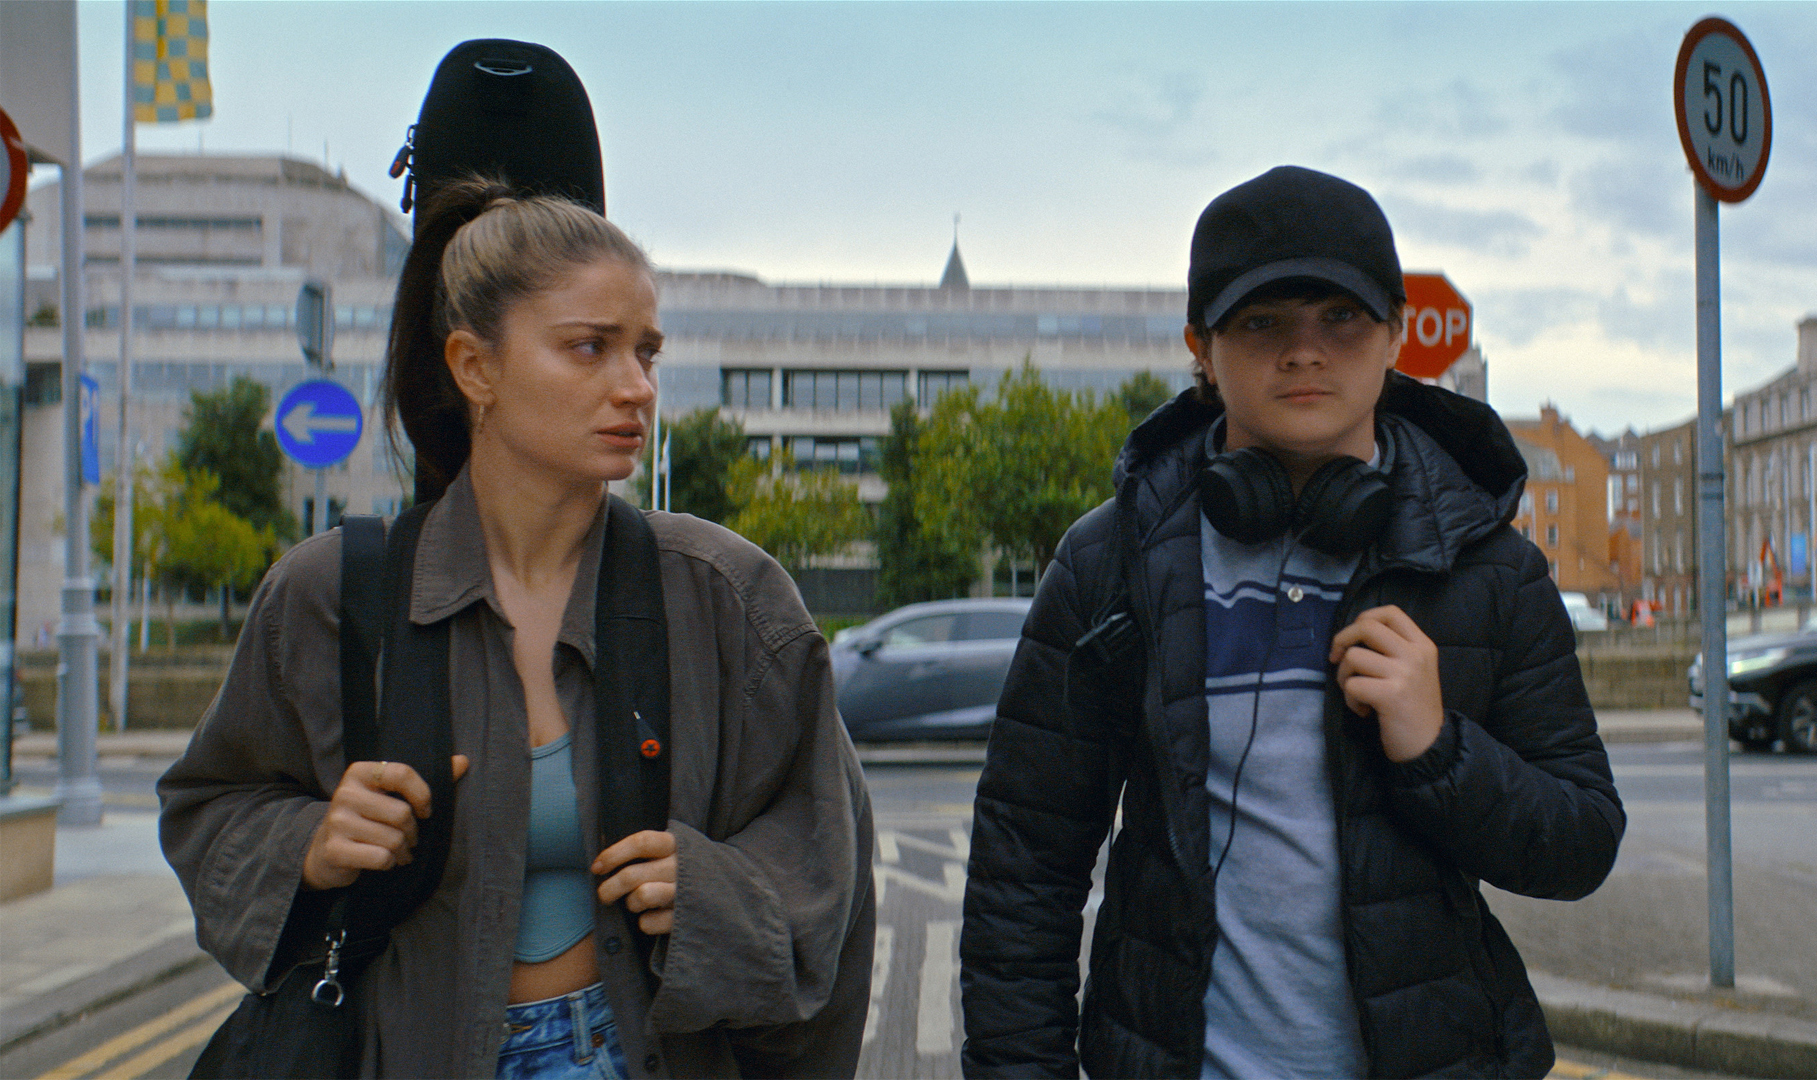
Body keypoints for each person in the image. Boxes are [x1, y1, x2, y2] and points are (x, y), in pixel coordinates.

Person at [159, 178, 875, 1079]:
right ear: (475, 367)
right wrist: (307, 840)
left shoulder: (724, 594)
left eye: (647, 353)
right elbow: (207, 808)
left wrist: (717, 894)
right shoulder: (333, 593)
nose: (636, 388)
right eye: (590, 348)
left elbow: (828, 846)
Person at [959, 166, 1624, 1079]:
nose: (1305, 352)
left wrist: (1439, 749)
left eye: (1340, 318)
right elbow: (1023, 868)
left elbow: (1582, 841)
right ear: (1201, 346)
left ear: (1396, 332)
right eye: (1262, 321)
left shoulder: (1489, 567)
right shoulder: (1110, 560)